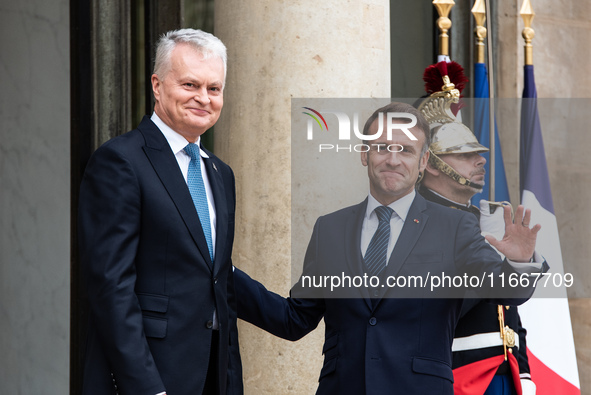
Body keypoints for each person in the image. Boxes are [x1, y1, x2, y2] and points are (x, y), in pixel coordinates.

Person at [234, 101, 547, 394]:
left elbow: (504, 289)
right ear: (364, 153)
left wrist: (520, 264)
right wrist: (222, 272)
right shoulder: (330, 229)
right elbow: (294, 319)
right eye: (383, 148)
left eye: (406, 151)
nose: (393, 160)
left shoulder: (454, 227)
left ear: (424, 161)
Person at [78, 29, 243, 395]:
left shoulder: (220, 174)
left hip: (214, 377)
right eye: (189, 84)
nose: (203, 98)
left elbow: (216, 274)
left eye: (214, 89)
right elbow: (111, 287)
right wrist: (147, 388)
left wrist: (304, 308)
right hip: (150, 379)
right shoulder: (120, 161)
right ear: (157, 85)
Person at [417, 62, 536, 395]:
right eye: (466, 154)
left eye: (478, 153)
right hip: (456, 375)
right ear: (432, 164)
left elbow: (509, 309)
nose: (481, 160)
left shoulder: (479, 218)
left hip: (504, 371)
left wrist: (522, 372)